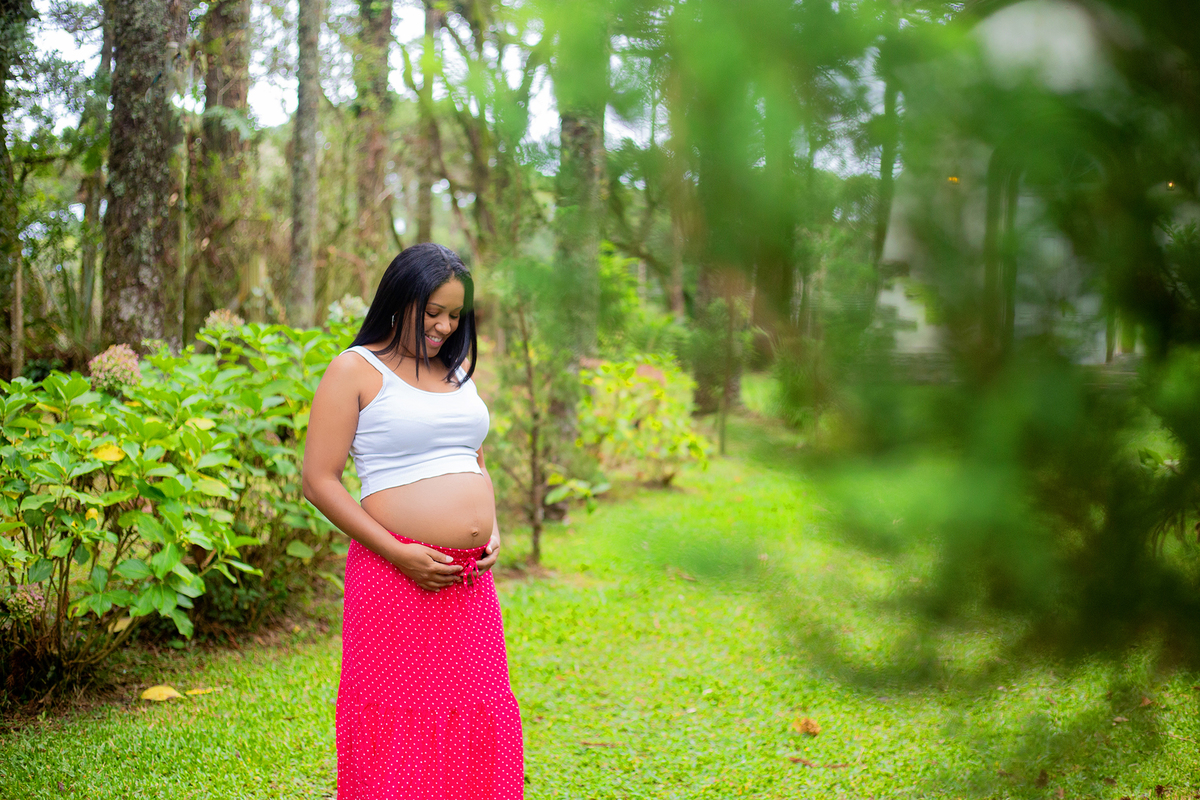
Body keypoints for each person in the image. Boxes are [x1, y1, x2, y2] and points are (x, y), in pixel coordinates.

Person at [302, 243, 523, 799]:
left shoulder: (456, 374)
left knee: (475, 708)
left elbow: (472, 458)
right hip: (394, 576)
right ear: (402, 298)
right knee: (399, 720)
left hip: (468, 583)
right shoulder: (355, 370)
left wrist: (491, 530)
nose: (445, 326)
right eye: (434, 312)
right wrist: (399, 553)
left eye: (455, 315)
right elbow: (319, 481)